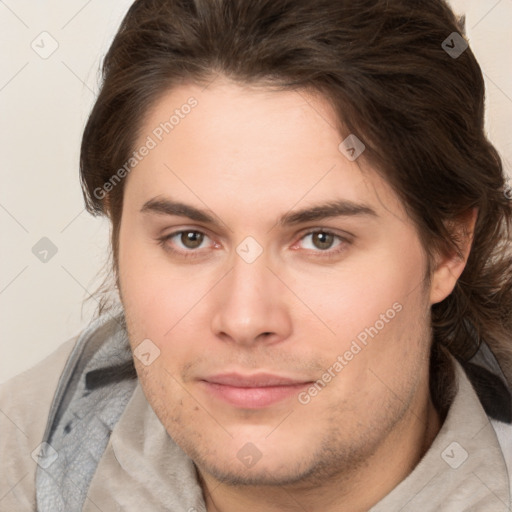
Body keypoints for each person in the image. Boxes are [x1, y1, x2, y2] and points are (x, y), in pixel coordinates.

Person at [1, 0, 512, 510]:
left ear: (448, 247)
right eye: (190, 238)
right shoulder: (21, 461)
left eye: (321, 239)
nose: (245, 319)